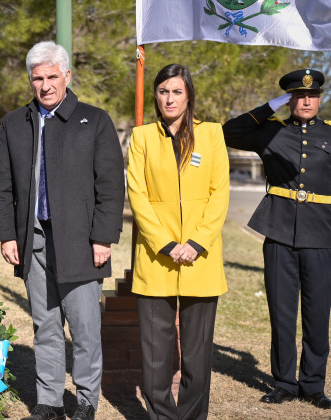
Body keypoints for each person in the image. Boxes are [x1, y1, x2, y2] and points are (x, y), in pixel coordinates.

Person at [0, 40, 125, 420]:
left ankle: (85, 401)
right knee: (45, 327)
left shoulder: (94, 120)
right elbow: (1, 184)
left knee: (84, 330)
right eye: (38, 78)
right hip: (32, 241)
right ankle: (48, 401)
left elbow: (111, 186)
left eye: (52, 76)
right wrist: (6, 234)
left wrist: (103, 238)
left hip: (81, 243)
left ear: (67, 75)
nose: (45, 85)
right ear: (30, 80)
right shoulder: (15, 123)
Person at [223, 69, 331, 409]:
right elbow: (229, 131)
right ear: (289, 99)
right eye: (298, 96)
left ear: (320, 99)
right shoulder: (270, 132)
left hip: (322, 235)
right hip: (280, 233)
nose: (306, 101)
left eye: (312, 96)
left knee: (317, 314)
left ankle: (313, 385)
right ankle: (284, 382)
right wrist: (269, 106)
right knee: (282, 313)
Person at [127, 64, 229, 419]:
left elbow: (219, 195)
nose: (169, 98)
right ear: (155, 95)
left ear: (189, 96)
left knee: (197, 357)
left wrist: (197, 242)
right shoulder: (141, 137)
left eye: (177, 92)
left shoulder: (212, 134)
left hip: (201, 258)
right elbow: (137, 196)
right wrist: (167, 244)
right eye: (163, 91)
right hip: (157, 258)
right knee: (155, 357)